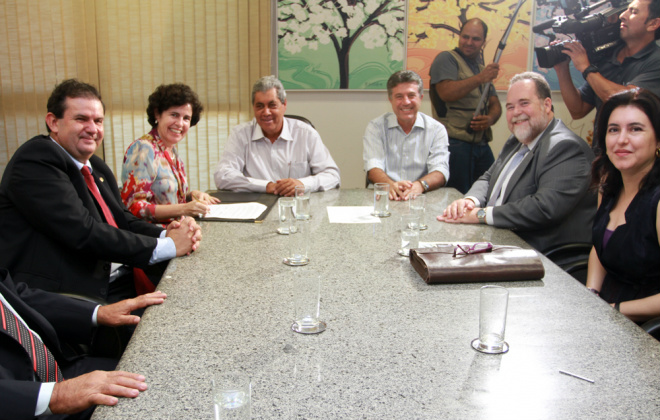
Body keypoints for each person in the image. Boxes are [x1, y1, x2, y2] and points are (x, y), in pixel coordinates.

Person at [0, 79, 202, 303]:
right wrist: (167, 246)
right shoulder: (36, 159)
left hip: (119, 277)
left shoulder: (95, 165)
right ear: (53, 122)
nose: (92, 129)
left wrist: (167, 233)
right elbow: (83, 231)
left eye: (98, 121)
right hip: (67, 295)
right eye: (81, 119)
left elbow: (122, 218)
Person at [438, 72, 596, 252]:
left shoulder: (565, 147)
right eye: (510, 107)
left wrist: (480, 215)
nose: (516, 113)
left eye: (524, 103)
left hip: (540, 256)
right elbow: (488, 178)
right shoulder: (517, 140)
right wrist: (469, 201)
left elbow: (543, 208)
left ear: (547, 105)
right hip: (498, 240)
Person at [0, 268, 166, 420]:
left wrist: (98, 312)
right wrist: (57, 396)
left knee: (155, 377)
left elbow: (19, 296)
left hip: (56, 372)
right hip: (22, 402)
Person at [586, 88, 660, 322]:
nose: (621, 140)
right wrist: (590, 294)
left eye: (635, 129)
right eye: (613, 130)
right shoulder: (609, 185)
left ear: (658, 139)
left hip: (647, 329)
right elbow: (601, 248)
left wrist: (613, 310)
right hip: (607, 310)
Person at [213, 75, 340, 196]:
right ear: (253, 108)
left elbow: (332, 175)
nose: (266, 112)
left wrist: (302, 184)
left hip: (298, 207)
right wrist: (267, 186)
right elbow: (223, 175)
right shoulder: (240, 135)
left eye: (272, 105)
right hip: (256, 208)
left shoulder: (305, 133)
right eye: (260, 106)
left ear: (284, 105)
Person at [553, 0, 660, 144]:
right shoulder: (608, 57)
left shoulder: (656, 61)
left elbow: (627, 102)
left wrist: (586, 68)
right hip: (602, 156)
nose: (622, 15)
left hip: (635, 156)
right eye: (626, 10)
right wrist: (562, 69)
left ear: (653, 24)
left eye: (633, 12)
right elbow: (578, 110)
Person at [121, 83, 220, 223]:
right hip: (152, 238)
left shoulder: (172, 151)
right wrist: (184, 208)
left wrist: (191, 196)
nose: (180, 123)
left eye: (186, 118)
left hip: (176, 232)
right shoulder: (143, 149)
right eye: (174, 115)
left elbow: (165, 199)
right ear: (157, 114)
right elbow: (134, 207)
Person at [429, 18, 502, 194]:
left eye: (476, 39)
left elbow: (495, 105)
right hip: (454, 144)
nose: (469, 42)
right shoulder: (446, 59)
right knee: (455, 196)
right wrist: (480, 78)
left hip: (481, 144)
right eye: (465, 36)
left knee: (490, 191)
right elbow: (446, 92)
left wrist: (490, 119)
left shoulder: (480, 68)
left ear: (483, 42)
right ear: (459, 36)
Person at [363, 70, 450, 201]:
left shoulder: (437, 129)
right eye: (399, 96)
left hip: (422, 198)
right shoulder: (376, 127)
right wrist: (391, 185)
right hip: (386, 196)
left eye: (411, 95)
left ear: (420, 97)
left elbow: (440, 170)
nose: (406, 102)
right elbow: (373, 166)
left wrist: (420, 185)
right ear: (390, 99)